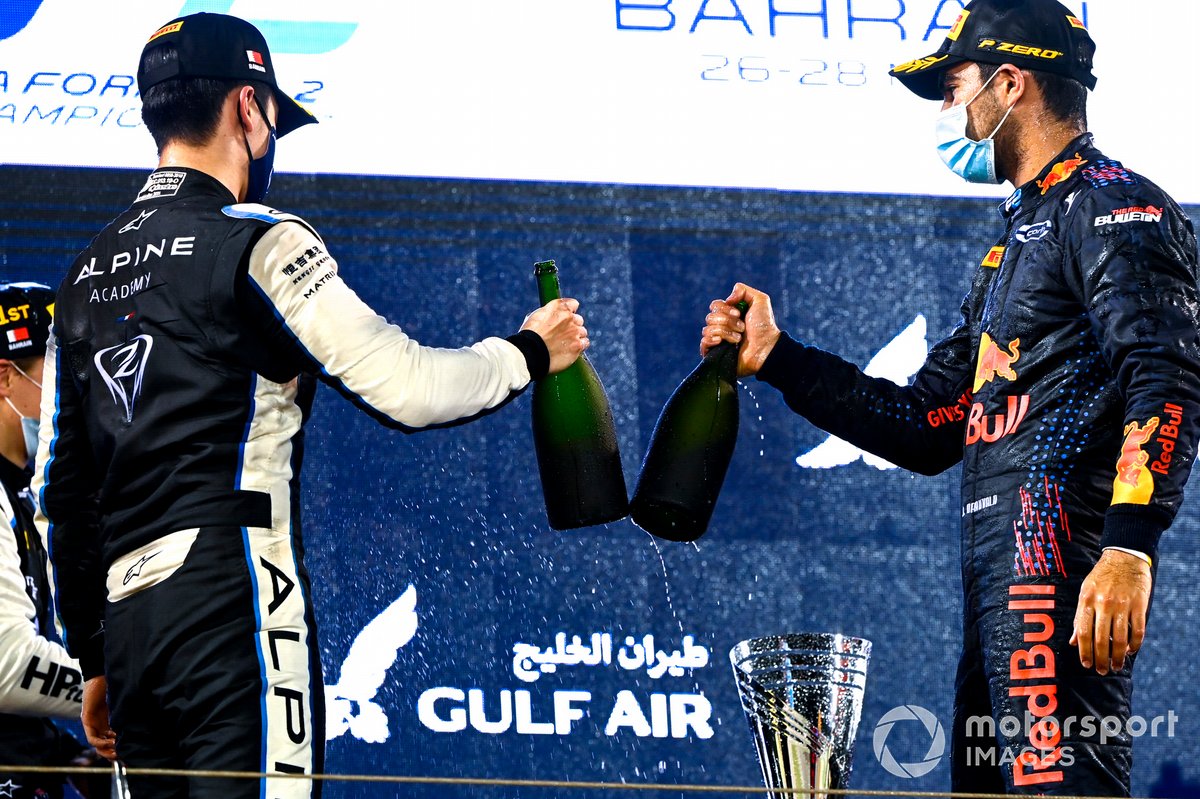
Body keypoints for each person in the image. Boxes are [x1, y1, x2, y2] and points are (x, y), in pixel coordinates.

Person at [32, 12, 590, 799]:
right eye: (273, 120)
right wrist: (530, 351)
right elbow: (408, 386)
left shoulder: (83, 278)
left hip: (130, 637)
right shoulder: (257, 239)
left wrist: (93, 657)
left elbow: (64, 495)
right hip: (234, 607)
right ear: (247, 109)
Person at [702, 0, 1199, 793]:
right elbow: (932, 423)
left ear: (1009, 84)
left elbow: (1166, 368)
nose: (944, 110)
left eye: (951, 85)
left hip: (1056, 583)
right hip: (1000, 599)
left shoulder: (1112, 203)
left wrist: (1130, 545)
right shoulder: (1015, 240)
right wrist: (780, 358)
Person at [0, 282, 99, 799]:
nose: (76, 390)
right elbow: (3, 663)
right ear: (3, 377)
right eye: (58, 374)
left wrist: (69, 757)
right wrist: (117, 692)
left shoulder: (28, 492)